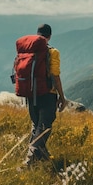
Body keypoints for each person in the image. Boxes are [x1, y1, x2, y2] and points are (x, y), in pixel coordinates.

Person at [24, 24, 67, 166]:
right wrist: (62, 96)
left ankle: (43, 157)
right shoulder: (52, 52)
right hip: (47, 94)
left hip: (31, 94)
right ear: (49, 36)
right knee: (44, 128)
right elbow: (55, 75)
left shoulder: (28, 51)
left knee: (37, 126)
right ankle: (28, 162)